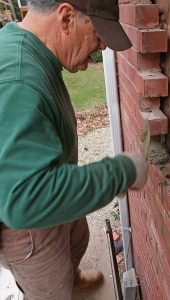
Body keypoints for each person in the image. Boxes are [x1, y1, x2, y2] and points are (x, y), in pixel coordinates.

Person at [0, 0, 148, 299]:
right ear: (67, 18)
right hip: (28, 230)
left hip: (48, 184)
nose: (102, 47)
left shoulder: (24, 44)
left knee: (77, 237)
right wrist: (121, 171)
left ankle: (72, 278)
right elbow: (25, 200)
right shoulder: (19, 81)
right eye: (98, 35)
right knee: (51, 291)